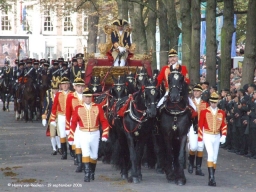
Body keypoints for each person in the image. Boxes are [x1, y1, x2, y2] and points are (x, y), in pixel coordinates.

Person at [68, 87, 109, 182]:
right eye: (86, 97)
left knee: (94, 155)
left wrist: (105, 134)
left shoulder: (98, 107)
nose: (88, 99)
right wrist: (71, 136)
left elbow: (104, 121)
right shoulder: (78, 108)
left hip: (95, 133)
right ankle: (87, 174)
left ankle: (92, 172)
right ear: (83, 98)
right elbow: (73, 123)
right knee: (85, 153)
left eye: (89, 97)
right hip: (83, 133)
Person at [198, 92, 227, 187]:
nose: (213, 104)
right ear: (210, 102)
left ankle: (212, 177)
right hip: (207, 135)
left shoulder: (221, 112)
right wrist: (200, 140)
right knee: (210, 154)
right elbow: (200, 126)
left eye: (215, 102)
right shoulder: (204, 112)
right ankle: (211, 177)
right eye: (212, 102)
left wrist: (224, 135)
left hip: (216, 136)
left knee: (215, 158)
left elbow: (224, 125)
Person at [188, 84, 209, 176]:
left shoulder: (205, 104)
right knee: (193, 147)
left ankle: (198, 168)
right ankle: (191, 164)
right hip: (192, 126)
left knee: (200, 147)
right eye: (194, 91)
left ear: (201, 92)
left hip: (202, 127)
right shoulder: (190, 103)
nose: (195, 93)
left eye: (197, 91)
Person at [65, 77, 85, 172]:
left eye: (82, 86)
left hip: (85, 122)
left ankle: (85, 162)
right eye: (78, 86)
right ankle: (79, 162)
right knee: (77, 142)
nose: (80, 88)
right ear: (74, 87)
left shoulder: (88, 95)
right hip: (75, 122)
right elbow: (68, 112)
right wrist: (67, 127)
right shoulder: (70, 96)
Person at [50, 77, 71, 160]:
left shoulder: (72, 94)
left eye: (66, 84)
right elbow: (54, 107)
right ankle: (64, 152)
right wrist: (52, 119)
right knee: (62, 134)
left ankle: (72, 151)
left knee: (71, 134)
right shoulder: (58, 94)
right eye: (63, 84)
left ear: (69, 85)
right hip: (61, 116)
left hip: (70, 117)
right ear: (61, 86)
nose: (65, 86)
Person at [42, 80, 62, 155]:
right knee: (52, 134)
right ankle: (54, 148)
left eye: (56, 89)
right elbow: (45, 106)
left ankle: (59, 147)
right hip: (51, 117)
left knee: (59, 133)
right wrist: (44, 117)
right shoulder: (48, 95)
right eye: (53, 89)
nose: (55, 90)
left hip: (60, 116)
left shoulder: (61, 95)